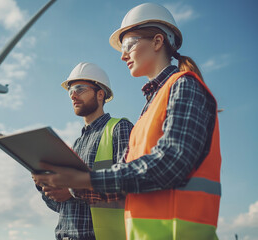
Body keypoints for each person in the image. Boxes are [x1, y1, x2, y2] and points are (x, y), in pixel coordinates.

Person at [33, 3, 221, 240]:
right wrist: (62, 183)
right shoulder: (149, 108)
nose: (123, 55)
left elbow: (170, 164)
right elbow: (121, 186)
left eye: (128, 45)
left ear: (157, 41)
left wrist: (84, 179)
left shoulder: (184, 86)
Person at [35, 62, 133, 240]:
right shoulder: (77, 143)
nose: (73, 95)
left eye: (80, 89)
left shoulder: (119, 128)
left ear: (100, 94)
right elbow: (63, 207)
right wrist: (45, 186)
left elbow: (129, 186)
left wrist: (72, 189)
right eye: (70, 90)